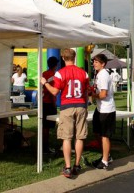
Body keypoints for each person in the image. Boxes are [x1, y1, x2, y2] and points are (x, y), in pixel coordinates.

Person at [41, 48, 89, 179]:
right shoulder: (83, 73)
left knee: (66, 137)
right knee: (79, 136)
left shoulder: (60, 73)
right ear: (74, 57)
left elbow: (55, 92)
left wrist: (45, 83)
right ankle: (77, 164)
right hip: (80, 105)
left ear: (63, 58)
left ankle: (68, 167)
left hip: (67, 105)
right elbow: (86, 92)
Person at [91, 54, 116, 170]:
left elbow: (103, 94)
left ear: (103, 64)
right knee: (96, 132)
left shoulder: (104, 75)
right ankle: (105, 156)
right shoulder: (98, 75)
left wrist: (92, 95)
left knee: (105, 135)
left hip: (107, 109)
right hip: (100, 108)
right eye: (94, 62)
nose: (94, 64)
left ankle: (105, 160)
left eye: (97, 62)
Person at [41, 56, 59, 154]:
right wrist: (54, 104)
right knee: (47, 127)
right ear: (56, 65)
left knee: (44, 126)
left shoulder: (44, 73)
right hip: (49, 103)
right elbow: (52, 92)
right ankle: (45, 147)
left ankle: (44, 146)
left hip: (43, 102)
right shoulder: (54, 75)